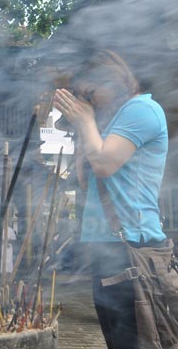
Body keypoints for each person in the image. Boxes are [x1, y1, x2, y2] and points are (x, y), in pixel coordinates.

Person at [53, 49, 168, 349]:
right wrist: (83, 126)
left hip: (132, 245)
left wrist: (87, 121)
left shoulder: (141, 110)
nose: (88, 102)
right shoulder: (113, 121)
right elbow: (84, 178)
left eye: (90, 93)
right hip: (107, 246)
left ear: (113, 81)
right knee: (117, 340)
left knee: (135, 340)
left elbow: (103, 164)